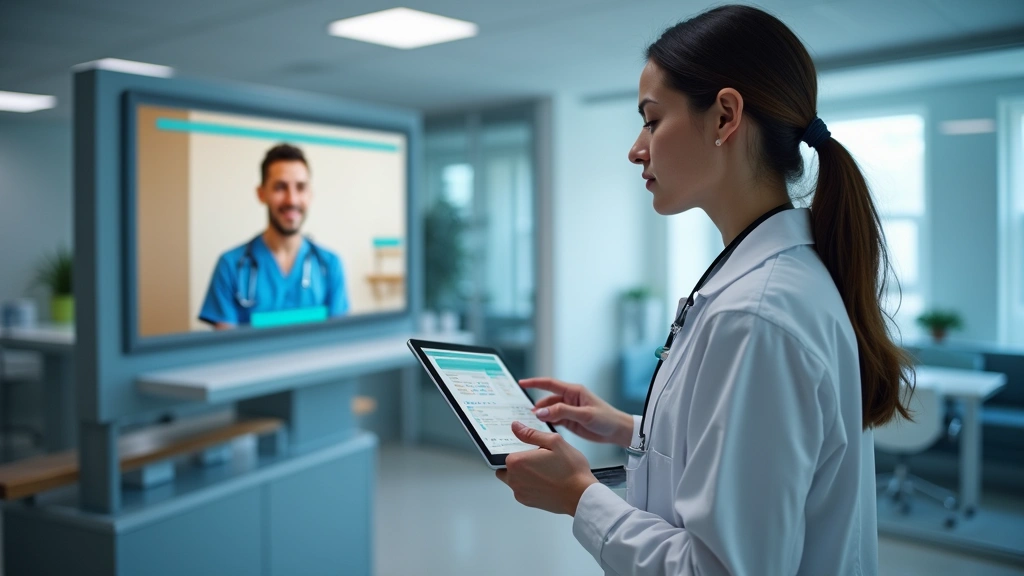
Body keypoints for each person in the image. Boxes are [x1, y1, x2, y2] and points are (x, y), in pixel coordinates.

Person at [496, 5, 913, 575]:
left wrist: (579, 497)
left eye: (651, 119)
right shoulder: (775, 280)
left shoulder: (757, 314)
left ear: (724, 116)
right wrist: (627, 428)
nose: (636, 149)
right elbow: (756, 461)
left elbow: (718, 569)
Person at [199, 143, 349, 329]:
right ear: (261, 194)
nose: (292, 200)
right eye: (280, 187)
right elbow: (227, 349)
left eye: (301, 187)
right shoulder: (231, 266)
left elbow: (338, 342)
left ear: (310, 194)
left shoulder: (329, 265)